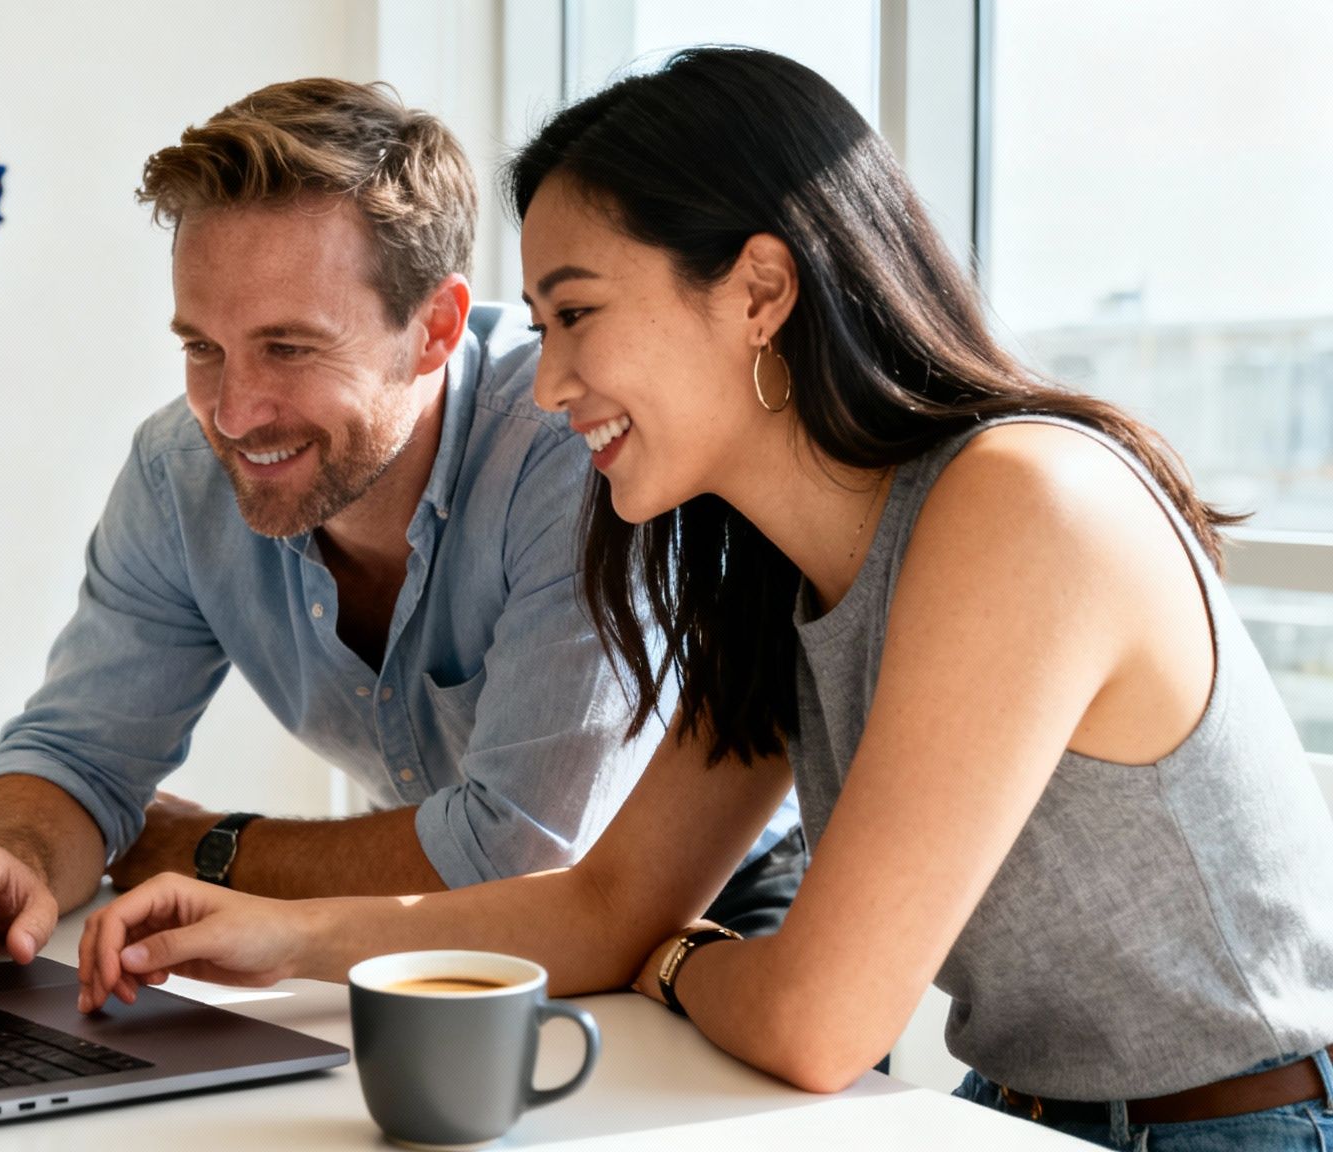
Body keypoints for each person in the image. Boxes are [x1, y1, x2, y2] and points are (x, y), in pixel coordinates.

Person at [75, 49, 1333, 1151]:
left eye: (574, 314)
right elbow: (599, 903)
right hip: (1020, 1114)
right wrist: (273, 937)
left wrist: (671, 958)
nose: (549, 382)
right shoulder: (773, 568)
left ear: (759, 292)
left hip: (1246, 1125)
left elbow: (812, 1020)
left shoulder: (1019, 501)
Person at [0, 79, 802, 986]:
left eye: (289, 347)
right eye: (202, 348)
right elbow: (75, 760)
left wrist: (198, 847)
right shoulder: (178, 472)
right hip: (437, 934)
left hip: (719, 914)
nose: (232, 412)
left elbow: (515, 860)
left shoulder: (580, 452)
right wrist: (4, 863)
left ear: (435, 328)